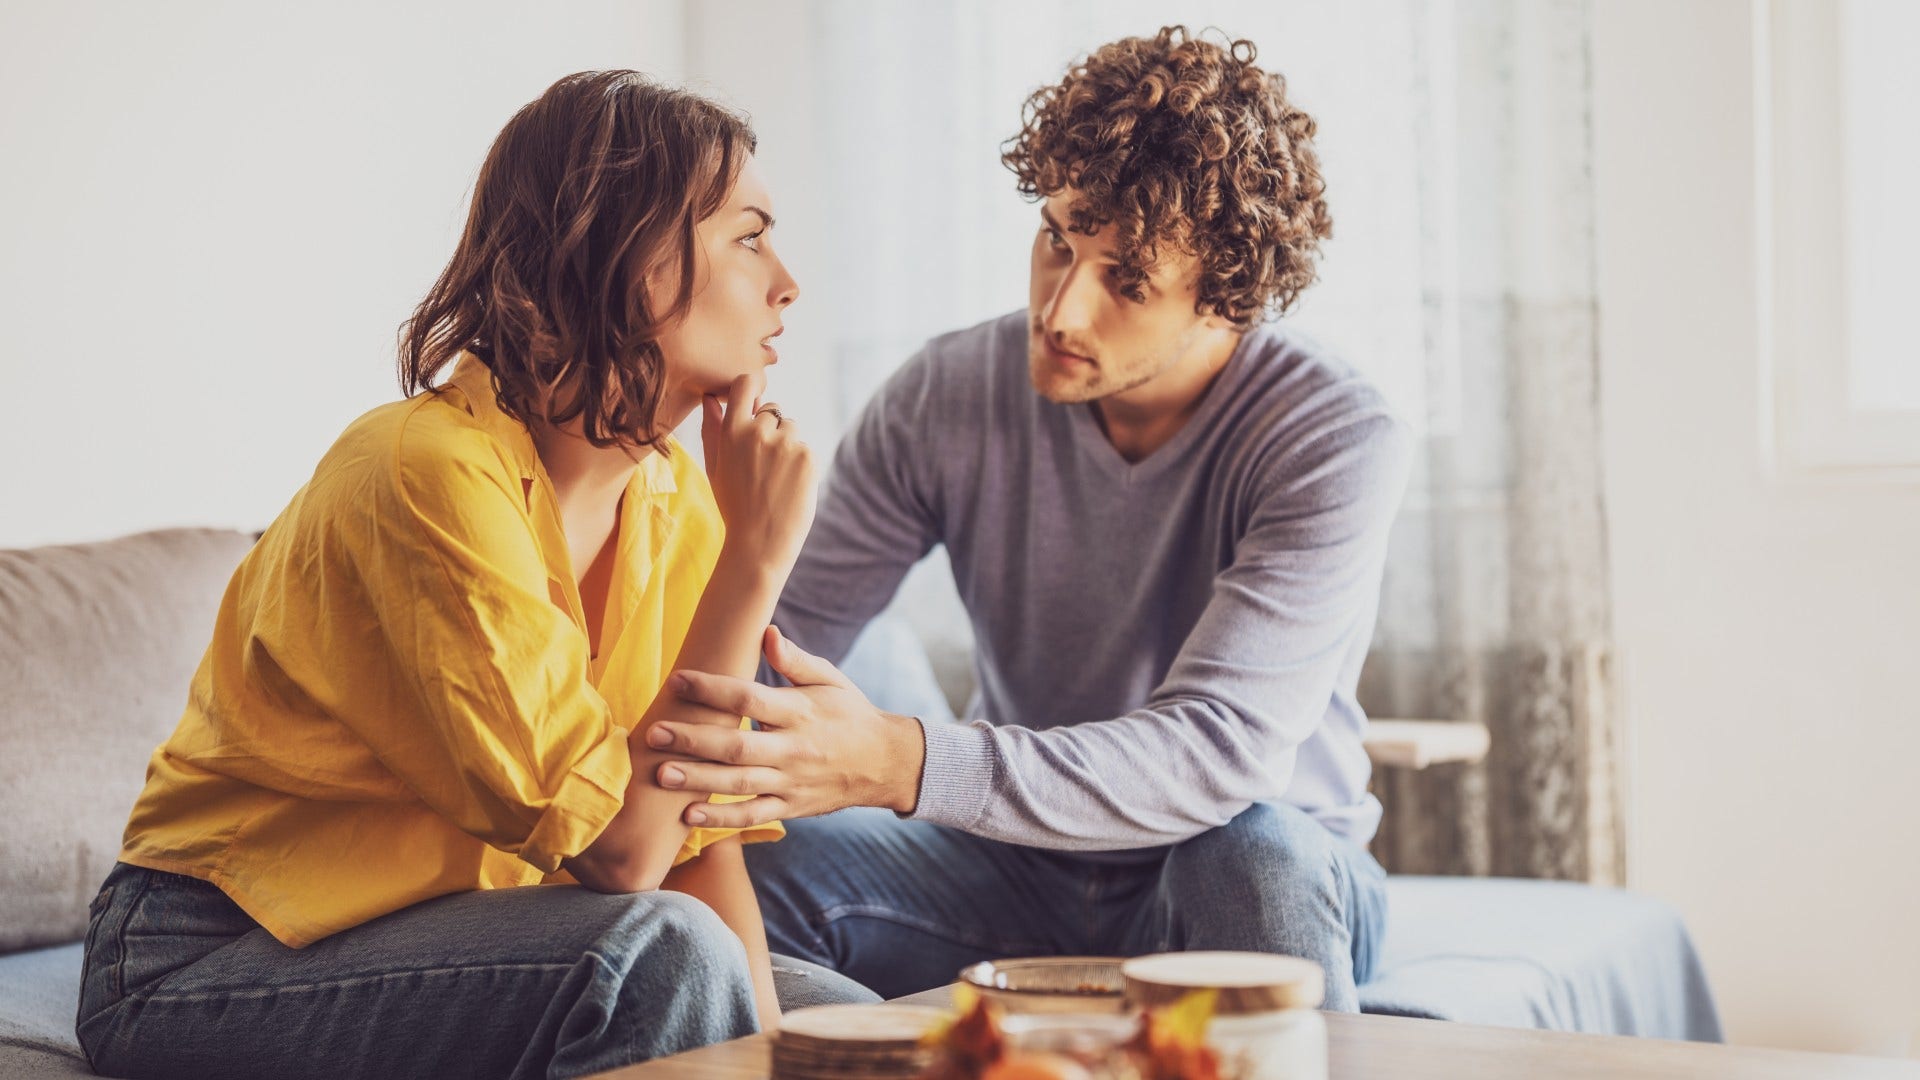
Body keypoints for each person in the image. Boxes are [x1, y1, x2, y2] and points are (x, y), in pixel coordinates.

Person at [76, 70, 873, 1080]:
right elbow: (624, 859)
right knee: (659, 959)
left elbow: (692, 845)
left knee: (841, 1026)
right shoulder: (422, 473)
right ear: (626, 256)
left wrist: (773, 1057)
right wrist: (754, 568)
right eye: (749, 238)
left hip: (465, 934)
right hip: (203, 956)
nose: (788, 282)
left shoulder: (675, 500)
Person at [642, 27, 1412, 1012]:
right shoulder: (947, 393)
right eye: (1059, 237)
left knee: (1255, 853)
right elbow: (773, 651)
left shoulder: (1333, 432)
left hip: (1232, 864)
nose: (1061, 308)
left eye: (1126, 281)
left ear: (1228, 301)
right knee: (735, 873)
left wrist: (901, 760)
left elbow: (1218, 751)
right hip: (1007, 867)